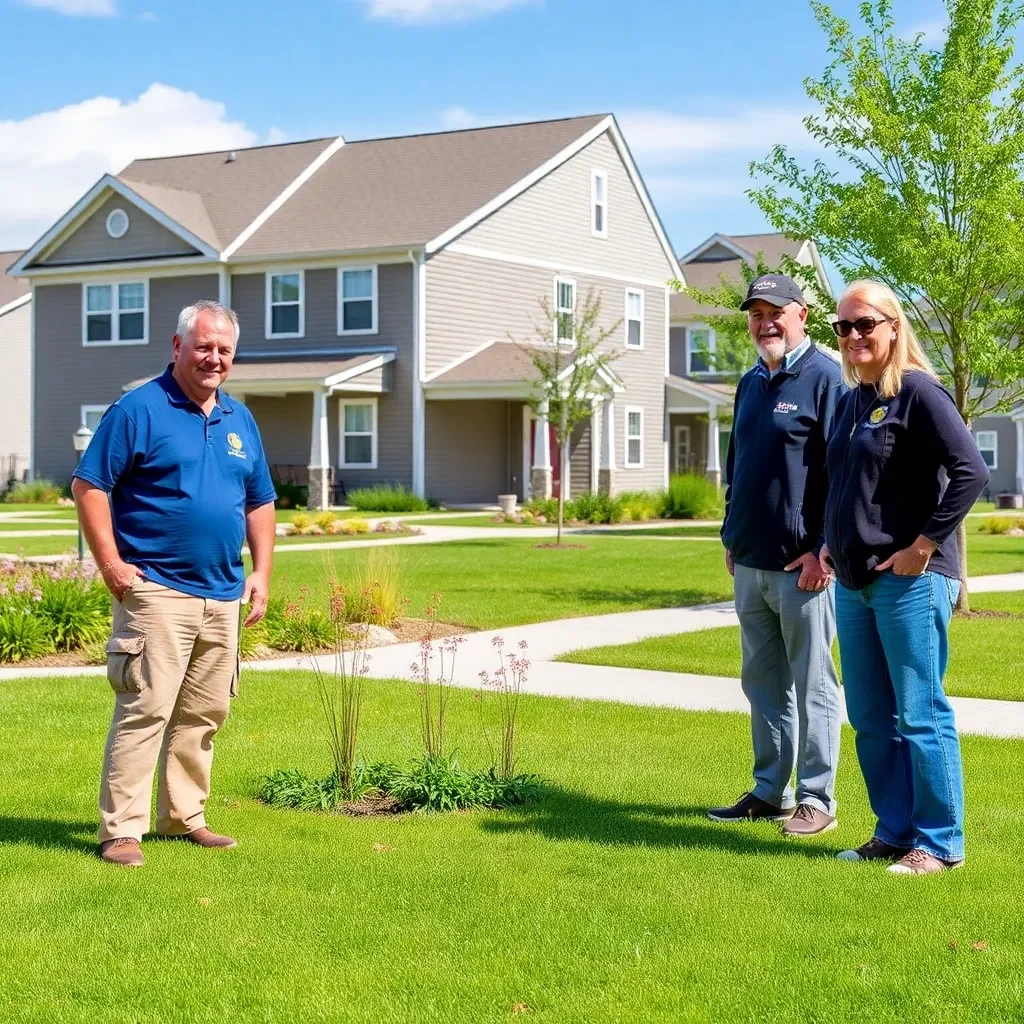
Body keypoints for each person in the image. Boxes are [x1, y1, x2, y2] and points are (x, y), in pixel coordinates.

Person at [72, 299, 277, 868]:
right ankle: (121, 830)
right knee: (146, 709)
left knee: (204, 715)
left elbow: (260, 499)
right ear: (177, 346)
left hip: (222, 591)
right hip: (158, 589)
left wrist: (261, 572)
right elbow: (89, 485)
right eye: (204, 346)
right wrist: (112, 565)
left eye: (225, 350)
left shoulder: (239, 419)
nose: (214, 358)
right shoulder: (139, 409)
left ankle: (184, 816)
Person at [821, 280, 988, 875]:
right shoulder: (849, 401)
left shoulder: (918, 393)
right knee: (869, 717)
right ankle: (894, 831)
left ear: (894, 326)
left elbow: (971, 470)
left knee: (920, 711)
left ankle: (940, 844)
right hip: (856, 581)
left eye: (865, 324)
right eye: (843, 327)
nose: (853, 336)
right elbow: (844, 487)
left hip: (911, 579)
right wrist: (828, 544)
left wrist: (925, 544)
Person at [709, 274, 845, 836]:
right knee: (762, 683)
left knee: (813, 683)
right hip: (751, 562)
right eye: (756, 313)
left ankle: (818, 799)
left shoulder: (826, 378)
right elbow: (737, 466)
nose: (765, 323)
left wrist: (825, 551)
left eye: (776, 312)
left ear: (802, 316)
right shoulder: (748, 384)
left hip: (804, 569)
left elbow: (844, 474)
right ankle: (772, 792)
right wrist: (729, 534)